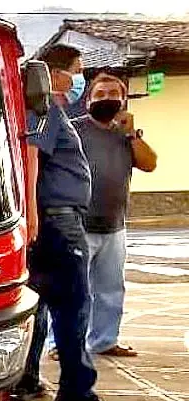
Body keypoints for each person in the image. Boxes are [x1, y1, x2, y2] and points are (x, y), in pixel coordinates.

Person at [11, 45, 127, 401]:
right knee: (75, 303)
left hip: (53, 219)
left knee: (43, 301)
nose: (80, 79)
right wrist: (29, 213)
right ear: (57, 75)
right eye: (77, 72)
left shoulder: (49, 112)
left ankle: (26, 378)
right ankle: (76, 391)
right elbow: (30, 153)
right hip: (58, 219)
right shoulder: (45, 110)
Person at [76, 73, 158, 357]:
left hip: (114, 226)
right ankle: (63, 344)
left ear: (123, 100)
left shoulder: (126, 135)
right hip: (78, 225)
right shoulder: (74, 131)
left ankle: (105, 340)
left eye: (113, 93)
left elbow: (150, 165)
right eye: (100, 94)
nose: (107, 99)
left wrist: (132, 134)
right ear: (88, 100)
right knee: (75, 290)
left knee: (111, 290)